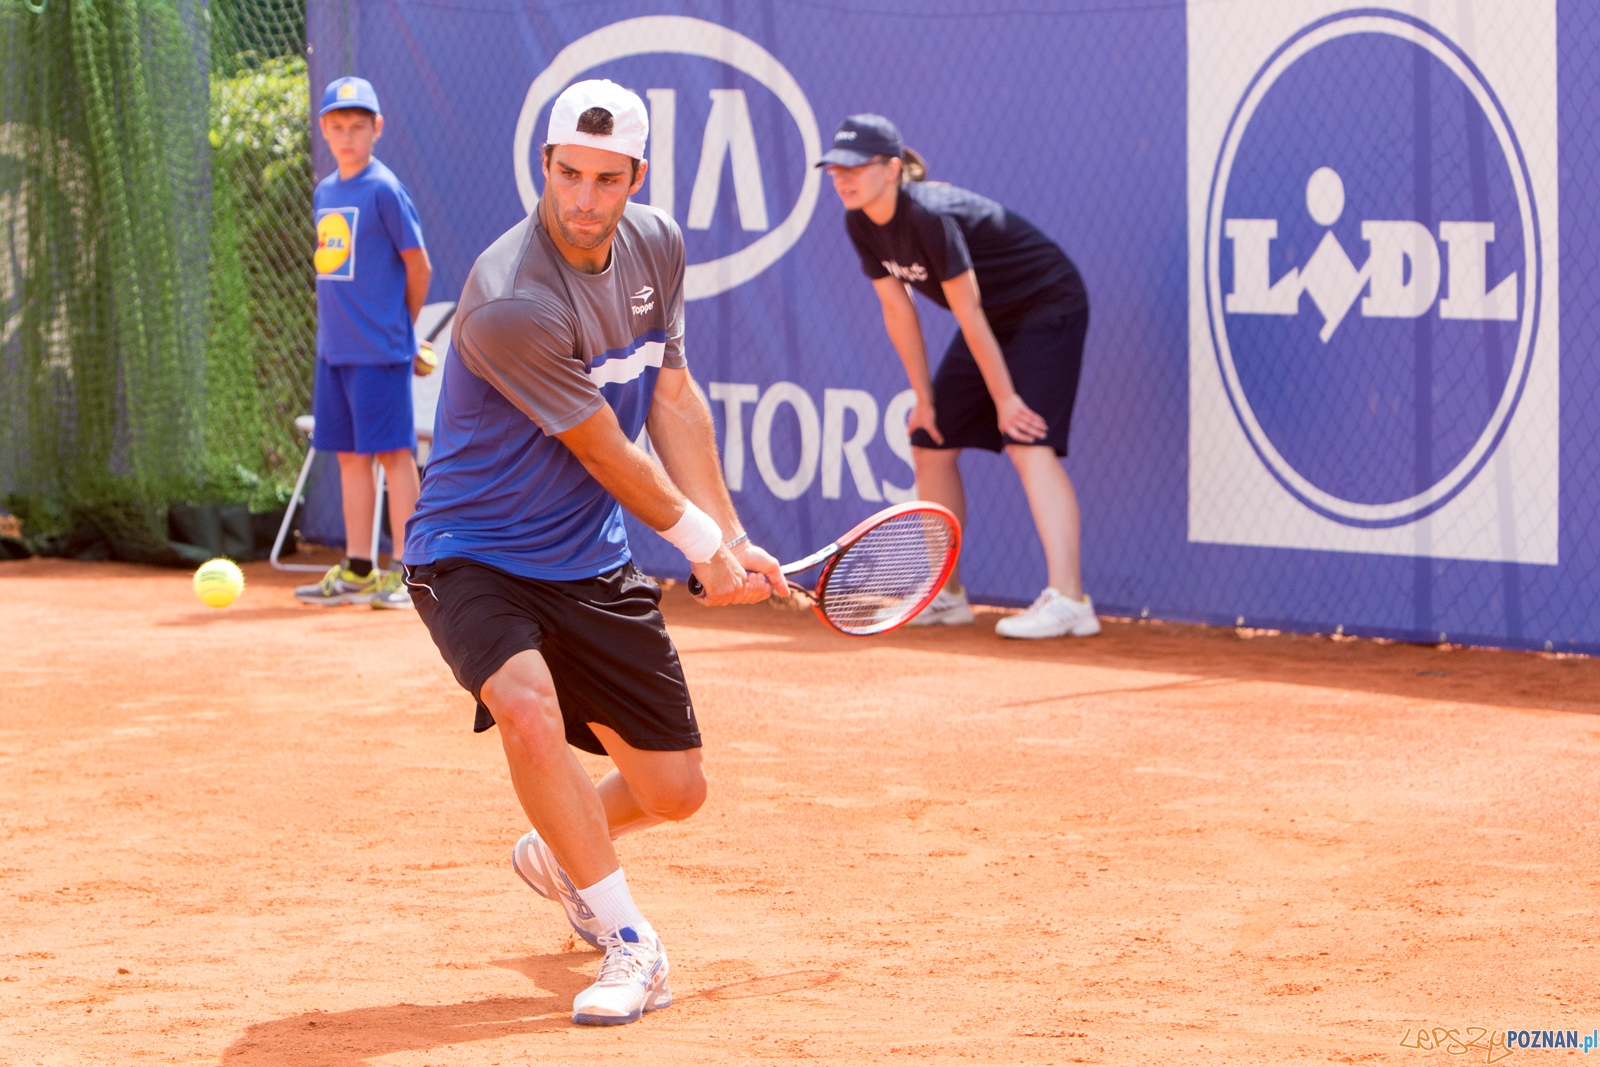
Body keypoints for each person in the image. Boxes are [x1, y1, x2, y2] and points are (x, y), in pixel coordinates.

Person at [402, 80, 785, 1026]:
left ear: (635, 179)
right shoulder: (509, 296)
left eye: (605, 179)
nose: (582, 198)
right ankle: (629, 941)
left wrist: (730, 534)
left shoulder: (657, 244)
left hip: (589, 557)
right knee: (525, 706)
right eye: (567, 174)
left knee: (676, 790)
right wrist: (700, 547)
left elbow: (671, 397)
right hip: (471, 547)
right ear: (545, 166)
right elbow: (604, 450)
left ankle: (562, 852)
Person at [818, 114, 1100, 639]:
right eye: (835, 167)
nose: (842, 177)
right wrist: (923, 398)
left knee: (1026, 440)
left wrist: (1007, 399)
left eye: (855, 166)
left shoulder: (928, 215)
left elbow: (968, 313)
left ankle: (1070, 599)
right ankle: (943, 594)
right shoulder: (860, 221)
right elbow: (898, 312)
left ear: (892, 169)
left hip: (1047, 305)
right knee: (930, 439)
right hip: (993, 320)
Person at [296, 76, 434, 610]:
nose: (347, 135)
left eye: (358, 126)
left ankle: (409, 572)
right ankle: (358, 568)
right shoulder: (326, 192)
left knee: (394, 456)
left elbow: (418, 265)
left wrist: (402, 326)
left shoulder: (384, 189)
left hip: (381, 350)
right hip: (335, 351)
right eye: (337, 126)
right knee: (351, 458)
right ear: (324, 130)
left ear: (377, 128)